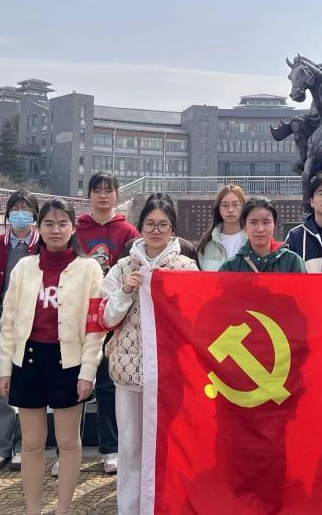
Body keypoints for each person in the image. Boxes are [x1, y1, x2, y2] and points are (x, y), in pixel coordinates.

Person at [0, 198, 104, 515]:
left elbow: (95, 326)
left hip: (67, 362)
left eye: (62, 223)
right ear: (39, 228)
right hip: (28, 360)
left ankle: (63, 509)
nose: (55, 230)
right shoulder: (24, 268)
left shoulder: (89, 269)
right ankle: (32, 508)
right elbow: (9, 321)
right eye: (48, 224)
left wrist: (87, 372)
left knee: (68, 442)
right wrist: (5, 368)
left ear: (73, 228)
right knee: (32, 443)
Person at [101, 194, 198, 515]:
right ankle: (130, 509)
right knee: (130, 447)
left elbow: (196, 318)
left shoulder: (186, 268)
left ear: (173, 229)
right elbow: (105, 318)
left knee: (171, 445)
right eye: (150, 224)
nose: (156, 231)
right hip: (129, 372)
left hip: (171, 374)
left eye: (163, 225)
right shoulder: (123, 268)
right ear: (140, 227)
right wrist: (126, 291)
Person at [74, 172, 139, 476]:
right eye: (97, 190)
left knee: (107, 384)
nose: (102, 195)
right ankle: (68, 449)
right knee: (74, 381)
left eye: (108, 190)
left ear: (117, 195)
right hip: (79, 314)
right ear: (89, 195)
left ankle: (110, 449)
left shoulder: (127, 231)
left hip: (113, 315)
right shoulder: (77, 229)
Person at [0, 190, 41, 472]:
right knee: (0, 387)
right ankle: (2, 444)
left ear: (35, 215)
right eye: (15, 208)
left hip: (35, 326)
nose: (20, 213)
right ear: (7, 213)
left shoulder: (43, 246)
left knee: (29, 387)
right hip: (1, 326)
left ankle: (24, 445)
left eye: (26, 209)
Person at [219, 197, 307, 273]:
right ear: (244, 226)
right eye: (253, 222)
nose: (260, 229)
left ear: (275, 225)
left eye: (266, 222)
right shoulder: (231, 267)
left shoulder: (292, 262)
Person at [196, 184, 247, 271]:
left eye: (235, 205)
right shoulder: (207, 244)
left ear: (243, 207)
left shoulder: (252, 241)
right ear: (218, 209)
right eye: (225, 205)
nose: (230, 210)